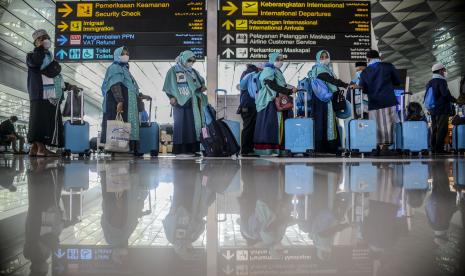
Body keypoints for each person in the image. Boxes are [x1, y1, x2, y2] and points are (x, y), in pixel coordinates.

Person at [27, 29, 68, 157]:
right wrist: (39, 48)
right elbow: (35, 62)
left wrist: (66, 86)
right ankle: (41, 149)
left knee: (41, 120)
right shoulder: (32, 55)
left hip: (49, 94)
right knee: (40, 120)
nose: (46, 40)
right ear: (36, 42)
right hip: (41, 93)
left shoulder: (49, 56)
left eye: (47, 37)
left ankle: (34, 148)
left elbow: (54, 76)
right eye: (42, 38)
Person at [163, 50, 208, 157]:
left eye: (193, 61)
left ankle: (192, 149)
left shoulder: (194, 72)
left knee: (193, 126)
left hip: (193, 102)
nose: (191, 62)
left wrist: (202, 87)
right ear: (183, 59)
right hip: (179, 102)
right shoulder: (173, 71)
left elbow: (200, 84)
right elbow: (168, 86)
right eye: (189, 60)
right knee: (180, 125)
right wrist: (171, 97)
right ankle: (180, 150)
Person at [101, 46, 143, 153]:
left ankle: (128, 149)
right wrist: (119, 101)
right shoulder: (115, 68)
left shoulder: (124, 69)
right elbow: (115, 85)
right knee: (120, 125)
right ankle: (119, 149)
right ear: (117, 55)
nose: (126, 56)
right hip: (120, 102)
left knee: (127, 125)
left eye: (127, 54)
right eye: (123, 54)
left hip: (128, 104)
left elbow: (130, 87)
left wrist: (141, 95)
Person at [254, 52, 297, 156]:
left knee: (276, 124)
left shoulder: (277, 71)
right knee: (271, 125)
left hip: (275, 101)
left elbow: (280, 84)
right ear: (272, 59)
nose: (280, 61)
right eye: (277, 59)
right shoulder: (268, 69)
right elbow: (271, 85)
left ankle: (278, 149)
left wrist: (289, 89)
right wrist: (289, 91)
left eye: (281, 59)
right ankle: (269, 149)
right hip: (269, 102)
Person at [359, 50, 401, 151]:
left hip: (374, 102)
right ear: (379, 57)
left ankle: (378, 145)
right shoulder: (388, 66)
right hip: (388, 100)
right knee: (389, 123)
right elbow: (397, 81)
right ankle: (386, 146)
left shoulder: (365, 71)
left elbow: (363, 88)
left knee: (376, 124)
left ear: (368, 59)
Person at [308, 50, 348, 154]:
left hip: (322, 100)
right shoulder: (319, 69)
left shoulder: (326, 69)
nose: (324, 59)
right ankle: (326, 147)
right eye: (321, 57)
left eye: (326, 56)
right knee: (325, 121)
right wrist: (345, 85)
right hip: (323, 101)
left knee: (324, 121)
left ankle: (324, 147)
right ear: (317, 58)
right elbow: (330, 80)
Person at [426, 63, 457, 154]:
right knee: (442, 129)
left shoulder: (430, 82)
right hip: (441, 109)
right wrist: (455, 100)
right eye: (444, 70)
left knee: (435, 128)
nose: (445, 72)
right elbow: (445, 94)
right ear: (440, 71)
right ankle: (439, 149)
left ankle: (433, 148)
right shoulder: (441, 81)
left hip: (432, 109)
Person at [238, 63, 262, 156]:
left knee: (250, 127)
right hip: (249, 105)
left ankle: (249, 150)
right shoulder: (250, 74)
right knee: (248, 127)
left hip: (248, 104)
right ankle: (245, 150)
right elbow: (244, 87)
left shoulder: (248, 73)